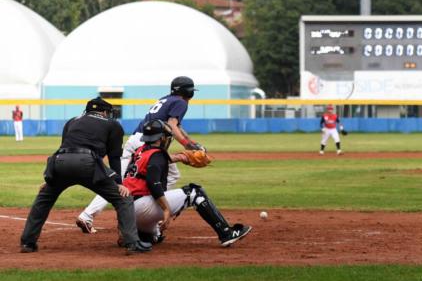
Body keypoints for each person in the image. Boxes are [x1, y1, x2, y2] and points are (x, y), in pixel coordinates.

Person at [19, 97, 152, 254]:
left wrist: (49, 179)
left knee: (44, 199)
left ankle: (28, 242)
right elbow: (114, 157)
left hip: (60, 162)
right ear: (104, 112)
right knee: (123, 198)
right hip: (87, 163)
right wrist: (118, 183)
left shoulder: (72, 121)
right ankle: (131, 243)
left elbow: (64, 148)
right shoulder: (112, 125)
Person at [76, 76, 205, 234]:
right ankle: (154, 208)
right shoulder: (180, 102)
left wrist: (192, 143)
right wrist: (188, 145)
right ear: (188, 92)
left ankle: (88, 215)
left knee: (121, 181)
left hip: (137, 139)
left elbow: (176, 126)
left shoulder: (167, 99)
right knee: (165, 176)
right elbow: (172, 125)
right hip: (146, 143)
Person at [123, 119, 252, 247]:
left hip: (128, 211)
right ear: (161, 138)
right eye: (166, 137)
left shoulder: (139, 151)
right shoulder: (156, 154)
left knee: (151, 237)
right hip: (142, 208)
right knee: (194, 192)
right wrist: (166, 209)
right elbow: (153, 183)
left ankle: (142, 235)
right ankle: (227, 233)